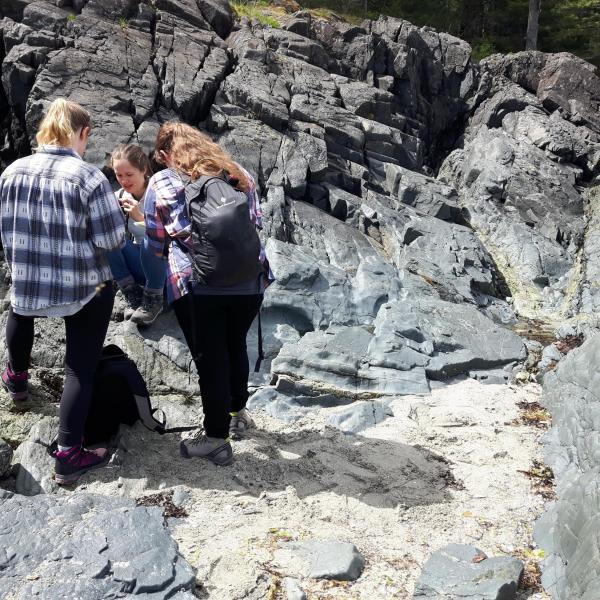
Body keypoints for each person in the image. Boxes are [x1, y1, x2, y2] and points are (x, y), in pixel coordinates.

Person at [0, 98, 126, 485]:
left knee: (20, 308)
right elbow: (111, 240)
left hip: (28, 278)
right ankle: (69, 454)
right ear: (82, 133)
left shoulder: (12, 171)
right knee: (79, 366)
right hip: (79, 286)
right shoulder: (89, 178)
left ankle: (17, 379)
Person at [145, 122, 272, 466]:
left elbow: (156, 244)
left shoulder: (161, 182)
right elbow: (256, 222)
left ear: (167, 154)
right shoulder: (237, 173)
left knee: (211, 358)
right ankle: (237, 412)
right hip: (250, 281)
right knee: (234, 345)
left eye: (161, 156)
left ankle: (216, 438)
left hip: (198, 284)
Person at [106, 144, 167, 325]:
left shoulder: (158, 193)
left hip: (162, 268)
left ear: (144, 170)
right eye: (119, 175)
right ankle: (132, 293)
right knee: (108, 236)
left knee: (150, 240)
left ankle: (154, 300)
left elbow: (171, 237)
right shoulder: (121, 195)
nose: (124, 181)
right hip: (140, 266)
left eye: (129, 175)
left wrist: (140, 217)